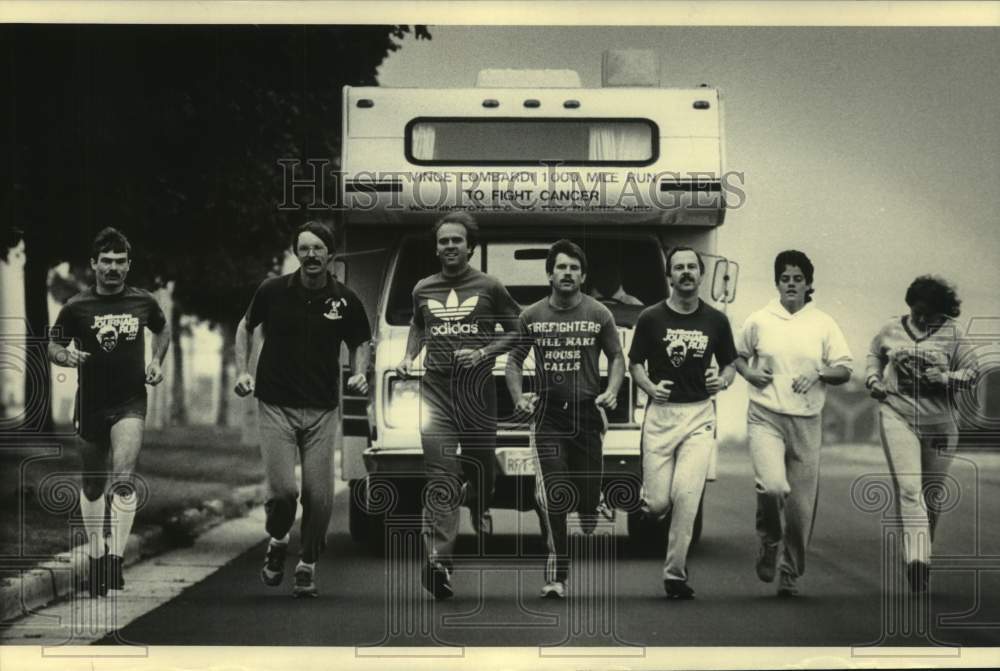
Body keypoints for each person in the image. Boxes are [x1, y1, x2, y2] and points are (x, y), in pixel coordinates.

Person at [234, 221, 371, 598]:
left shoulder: (345, 300)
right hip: (275, 403)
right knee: (283, 493)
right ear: (297, 253)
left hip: (322, 409)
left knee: (319, 496)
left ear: (330, 255)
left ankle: (307, 563)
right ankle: (278, 540)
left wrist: (360, 373)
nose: (311, 255)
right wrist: (243, 370)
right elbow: (245, 327)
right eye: (304, 248)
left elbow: (362, 341)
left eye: (318, 248)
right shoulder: (273, 291)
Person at [395, 212, 520, 600]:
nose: (450, 247)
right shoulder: (423, 288)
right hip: (436, 394)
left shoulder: (490, 287)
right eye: (444, 241)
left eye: (457, 241)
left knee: (483, 471)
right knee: (441, 476)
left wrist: (483, 351)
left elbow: (517, 330)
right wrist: (409, 356)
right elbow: (419, 326)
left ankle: (479, 500)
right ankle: (438, 563)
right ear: (436, 247)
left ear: (470, 247)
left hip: (478, 394)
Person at [49, 227, 170, 597]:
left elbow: (162, 331)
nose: (113, 268)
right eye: (107, 262)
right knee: (92, 483)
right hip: (90, 404)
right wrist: (65, 356)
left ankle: (115, 560)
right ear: (94, 265)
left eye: (120, 262)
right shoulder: (76, 306)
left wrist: (155, 359)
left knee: (124, 478)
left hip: (130, 402)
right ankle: (97, 554)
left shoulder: (143, 301)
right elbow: (53, 345)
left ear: (128, 265)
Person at [506, 239, 625, 599]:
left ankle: (593, 503)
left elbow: (617, 357)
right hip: (548, 417)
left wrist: (613, 390)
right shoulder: (531, 315)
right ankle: (557, 576)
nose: (568, 273)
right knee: (556, 495)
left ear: (583, 275)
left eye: (574, 267)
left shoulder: (599, 313)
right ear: (549, 274)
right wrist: (518, 396)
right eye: (561, 267)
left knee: (586, 502)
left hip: (587, 415)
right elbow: (513, 360)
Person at [733, 250, 852, 597]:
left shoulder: (823, 323)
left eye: (797, 279)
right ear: (777, 282)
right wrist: (751, 373)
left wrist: (818, 372)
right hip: (765, 415)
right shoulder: (759, 319)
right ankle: (770, 542)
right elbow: (738, 357)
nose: (790, 284)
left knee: (800, 510)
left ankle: (790, 573)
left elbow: (844, 369)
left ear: (808, 284)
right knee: (772, 487)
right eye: (785, 278)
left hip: (807, 421)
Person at [628, 246, 737, 600]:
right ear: (669, 276)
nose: (686, 273)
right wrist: (649, 386)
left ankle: (674, 574)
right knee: (659, 503)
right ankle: (649, 511)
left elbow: (731, 365)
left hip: (699, 416)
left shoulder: (716, 320)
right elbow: (635, 364)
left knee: (687, 497)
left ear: (701, 274)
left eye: (692, 267)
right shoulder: (651, 318)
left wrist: (721, 381)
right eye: (679, 268)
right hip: (661, 417)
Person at [865, 275, 977, 592]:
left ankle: (922, 549)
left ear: (944, 312)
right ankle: (917, 560)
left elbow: (972, 373)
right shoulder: (891, 329)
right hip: (897, 414)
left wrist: (946, 377)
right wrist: (873, 379)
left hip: (940, 423)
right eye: (917, 311)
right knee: (910, 489)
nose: (923, 318)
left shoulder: (953, 334)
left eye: (930, 313)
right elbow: (874, 354)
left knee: (931, 496)